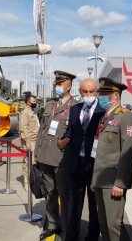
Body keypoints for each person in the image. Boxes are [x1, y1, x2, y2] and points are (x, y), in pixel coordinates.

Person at [90, 78, 132, 241]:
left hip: (113, 181)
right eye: (101, 93)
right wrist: (94, 179)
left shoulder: (126, 117)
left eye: (105, 94)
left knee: (114, 225)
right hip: (100, 179)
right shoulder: (104, 117)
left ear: (116, 96)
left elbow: (128, 152)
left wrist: (120, 182)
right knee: (104, 224)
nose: (100, 97)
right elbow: (99, 152)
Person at [57, 78, 105, 241]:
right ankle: (71, 237)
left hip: (94, 165)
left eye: (92, 92)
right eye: (85, 92)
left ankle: (92, 237)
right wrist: (62, 140)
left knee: (94, 206)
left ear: (97, 91)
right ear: (80, 92)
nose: (89, 95)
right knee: (73, 206)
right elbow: (70, 132)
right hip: (75, 164)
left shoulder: (103, 111)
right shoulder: (75, 109)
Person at [36, 70, 78, 240]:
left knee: (65, 195)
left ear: (69, 86)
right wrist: (36, 153)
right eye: (56, 84)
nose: (57, 87)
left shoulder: (75, 107)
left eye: (60, 84)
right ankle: (53, 224)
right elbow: (42, 130)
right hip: (45, 156)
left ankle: (67, 227)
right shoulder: (49, 105)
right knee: (50, 193)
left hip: (62, 159)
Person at [19, 94, 40, 190]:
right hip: (29, 141)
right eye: (34, 102)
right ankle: (26, 182)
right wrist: (27, 141)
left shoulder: (33, 112)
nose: (35, 103)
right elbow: (23, 128)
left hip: (36, 140)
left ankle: (33, 180)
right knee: (27, 162)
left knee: (34, 162)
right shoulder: (25, 113)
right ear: (28, 102)